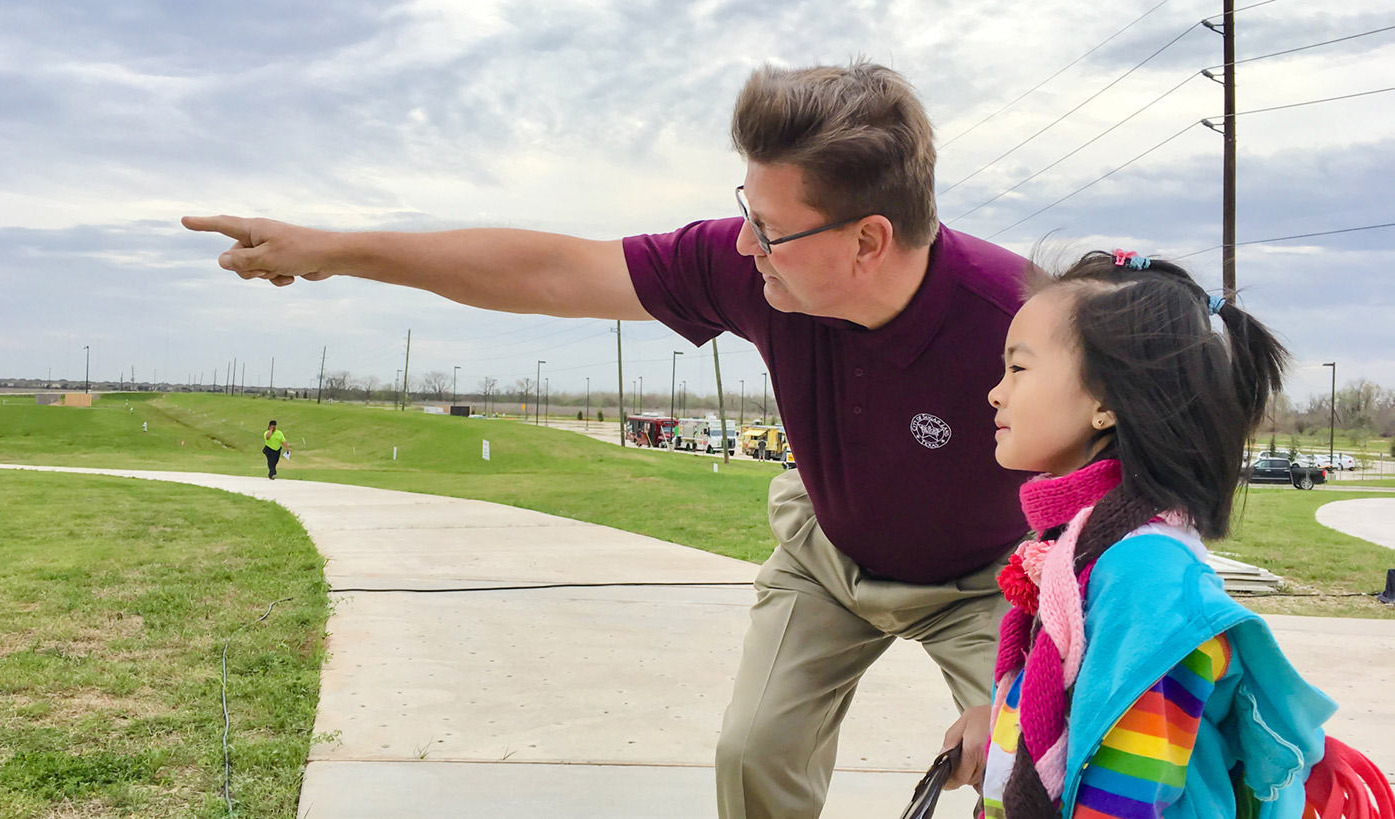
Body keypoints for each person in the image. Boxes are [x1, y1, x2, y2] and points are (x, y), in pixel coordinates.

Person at [184, 60, 1033, 818]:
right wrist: (335, 250)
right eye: (748, 211)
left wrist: (1019, 702)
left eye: (770, 229)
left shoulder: (1020, 319)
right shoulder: (748, 270)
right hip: (828, 545)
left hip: (983, 579)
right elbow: (555, 270)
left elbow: (1125, 516)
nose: (746, 244)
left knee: (1039, 769)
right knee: (753, 753)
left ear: (868, 240)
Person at [981, 250, 1393, 818]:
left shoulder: (1148, 578)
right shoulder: (1082, 549)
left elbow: (1127, 796)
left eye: (1018, 368)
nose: (995, 393)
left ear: (1106, 401)